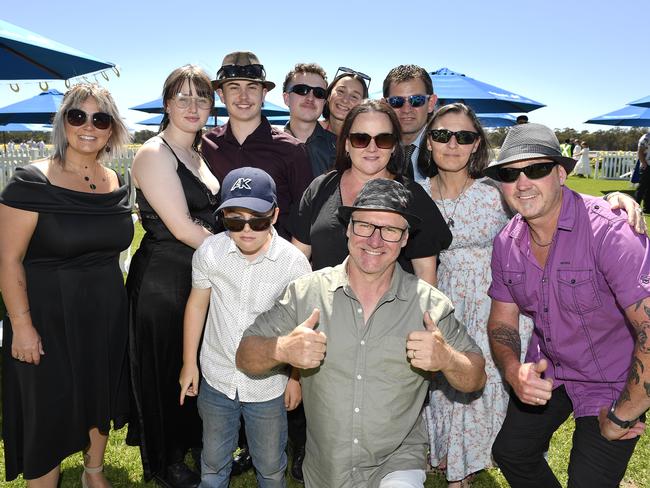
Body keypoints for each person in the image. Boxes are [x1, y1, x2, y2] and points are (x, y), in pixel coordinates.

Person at [236, 178, 487, 488]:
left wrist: (447, 358)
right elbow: (245, 355)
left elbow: (475, 376)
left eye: (390, 230)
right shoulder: (306, 293)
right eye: (365, 226)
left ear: (405, 238)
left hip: (396, 463)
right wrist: (281, 350)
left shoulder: (429, 305)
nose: (375, 240)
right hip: (327, 470)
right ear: (348, 229)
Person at [485, 123, 650, 488]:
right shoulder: (506, 243)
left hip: (611, 379)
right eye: (510, 174)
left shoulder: (611, 231)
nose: (523, 182)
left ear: (561, 173)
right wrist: (514, 372)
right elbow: (502, 321)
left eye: (537, 169)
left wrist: (622, 417)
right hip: (553, 369)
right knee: (512, 451)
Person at [0, 83, 132, 487]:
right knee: (48, 406)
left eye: (100, 118)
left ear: (111, 129)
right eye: (78, 116)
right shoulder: (29, 182)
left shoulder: (117, 180)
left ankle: (94, 472)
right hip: (46, 315)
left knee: (99, 391)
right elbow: (7, 259)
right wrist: (21, 326)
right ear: (63, 123)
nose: (88, 126)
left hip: (106, 311)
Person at [416, 103, 534, 487]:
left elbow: (551, 208)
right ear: (428, 143)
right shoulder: (417, 195)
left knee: (486, 380)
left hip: (493, 301)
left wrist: (615, 200)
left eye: (464, 136)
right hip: (444, 297)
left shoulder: (497, 192)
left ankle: (476, 459)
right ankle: (454, 464)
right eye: (442, 135)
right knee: (448, 377)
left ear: (476, 145)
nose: (452, 144)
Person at [179, 166, 311, 487]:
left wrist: (296, 379)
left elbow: (302, 329)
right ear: (223, 218)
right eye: (236, 221)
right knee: (212, 462)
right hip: (217, 377)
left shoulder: (293, 264)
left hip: (268, 384)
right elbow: (197, 305)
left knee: (270, 465)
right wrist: (188, 363)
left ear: (275, 215)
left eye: (258, 220)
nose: (247, 229)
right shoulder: (211, 251)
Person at [126, 65, 220, 488]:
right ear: (167, 104)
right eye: (183, 97)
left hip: (197, 275)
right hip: (164, 281)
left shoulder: (199, 155)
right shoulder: (153, 153)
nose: (193, 106)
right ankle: (164, 462)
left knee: (192, 363)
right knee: (165, 369)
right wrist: (244, 254)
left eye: (201, 98)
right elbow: (182, 227)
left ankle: (188, 447)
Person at [291, 99, 452, 288]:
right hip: (323, 311)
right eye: (361, 138)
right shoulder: (320, 189)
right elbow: (297, 262)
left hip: (392, 314)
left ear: (393, 147)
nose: (372, 148)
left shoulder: (413, 197)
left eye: (383, 139)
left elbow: (425, 276)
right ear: (346, 144)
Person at [201, 51, 313, 240]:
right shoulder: (206, 146)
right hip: (220, 260)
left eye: (252, 87)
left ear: (263, 94)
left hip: (278, 262)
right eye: (234, 87)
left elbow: (306, 216)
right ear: (221, 94)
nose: (243, 96)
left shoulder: (292, 150)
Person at [382, 64, 437, 183]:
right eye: (396, 101)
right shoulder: (372, 147)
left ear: (431, 103)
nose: (406, 109)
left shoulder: (448, 147)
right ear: (385, 105)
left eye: (417, 100)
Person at [282, 62, 337, 177]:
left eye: (319, 93)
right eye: (302, 90)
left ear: (324, 102)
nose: (310, 98)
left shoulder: (341, 150)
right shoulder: (268, 145)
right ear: (286, 98)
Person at [320, 67, 370, 136]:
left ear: (362, 106)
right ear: (329, 96)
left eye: (354, 96)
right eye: (341, 91)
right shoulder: (309, 130)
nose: (345, 100)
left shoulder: (364, 142)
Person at [636, 131, 650, 213]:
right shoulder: (646, 138)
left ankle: (647, 208)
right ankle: (635, 206)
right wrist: (645, 164)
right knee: (642, 188)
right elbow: (640, 151)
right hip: (647, 166)